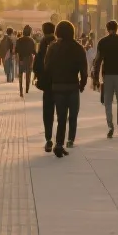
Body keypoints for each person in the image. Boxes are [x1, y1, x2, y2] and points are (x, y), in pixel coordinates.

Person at [44, 20, 87, 157]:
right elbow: (84, 69)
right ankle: (70, 140)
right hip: (73, 86)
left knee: (61, 117)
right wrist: (82, 84)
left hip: (57, 87)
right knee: (73, 115)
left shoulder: (53, 48)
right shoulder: (78, 48)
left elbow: (47, 67)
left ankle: (59, 143)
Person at [92, 20, 118, 138]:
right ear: (117, 28)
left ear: (107, 29)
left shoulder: (102, 42)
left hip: (107, 75)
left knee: (108, 101)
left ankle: (110, 126)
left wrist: (95, 78)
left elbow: (98, 60)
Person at [33, 22, 57, 149]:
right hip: (59, 82)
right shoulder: (58, 43)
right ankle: (60, 139)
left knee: (48, 112)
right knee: (61, 112)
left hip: (47, 84)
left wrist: (38, 76)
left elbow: (36, 64)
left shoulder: (42, 44)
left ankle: (48, 138)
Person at [15, 25, 37, 97]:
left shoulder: (19, 40)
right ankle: (27, 89)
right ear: (30, 32)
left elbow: (16, 50)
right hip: (29, 58)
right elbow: (34, 51)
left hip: (21, 58)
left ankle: (21, 89)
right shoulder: (32, 41)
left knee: (20, 75)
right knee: (28, 74)